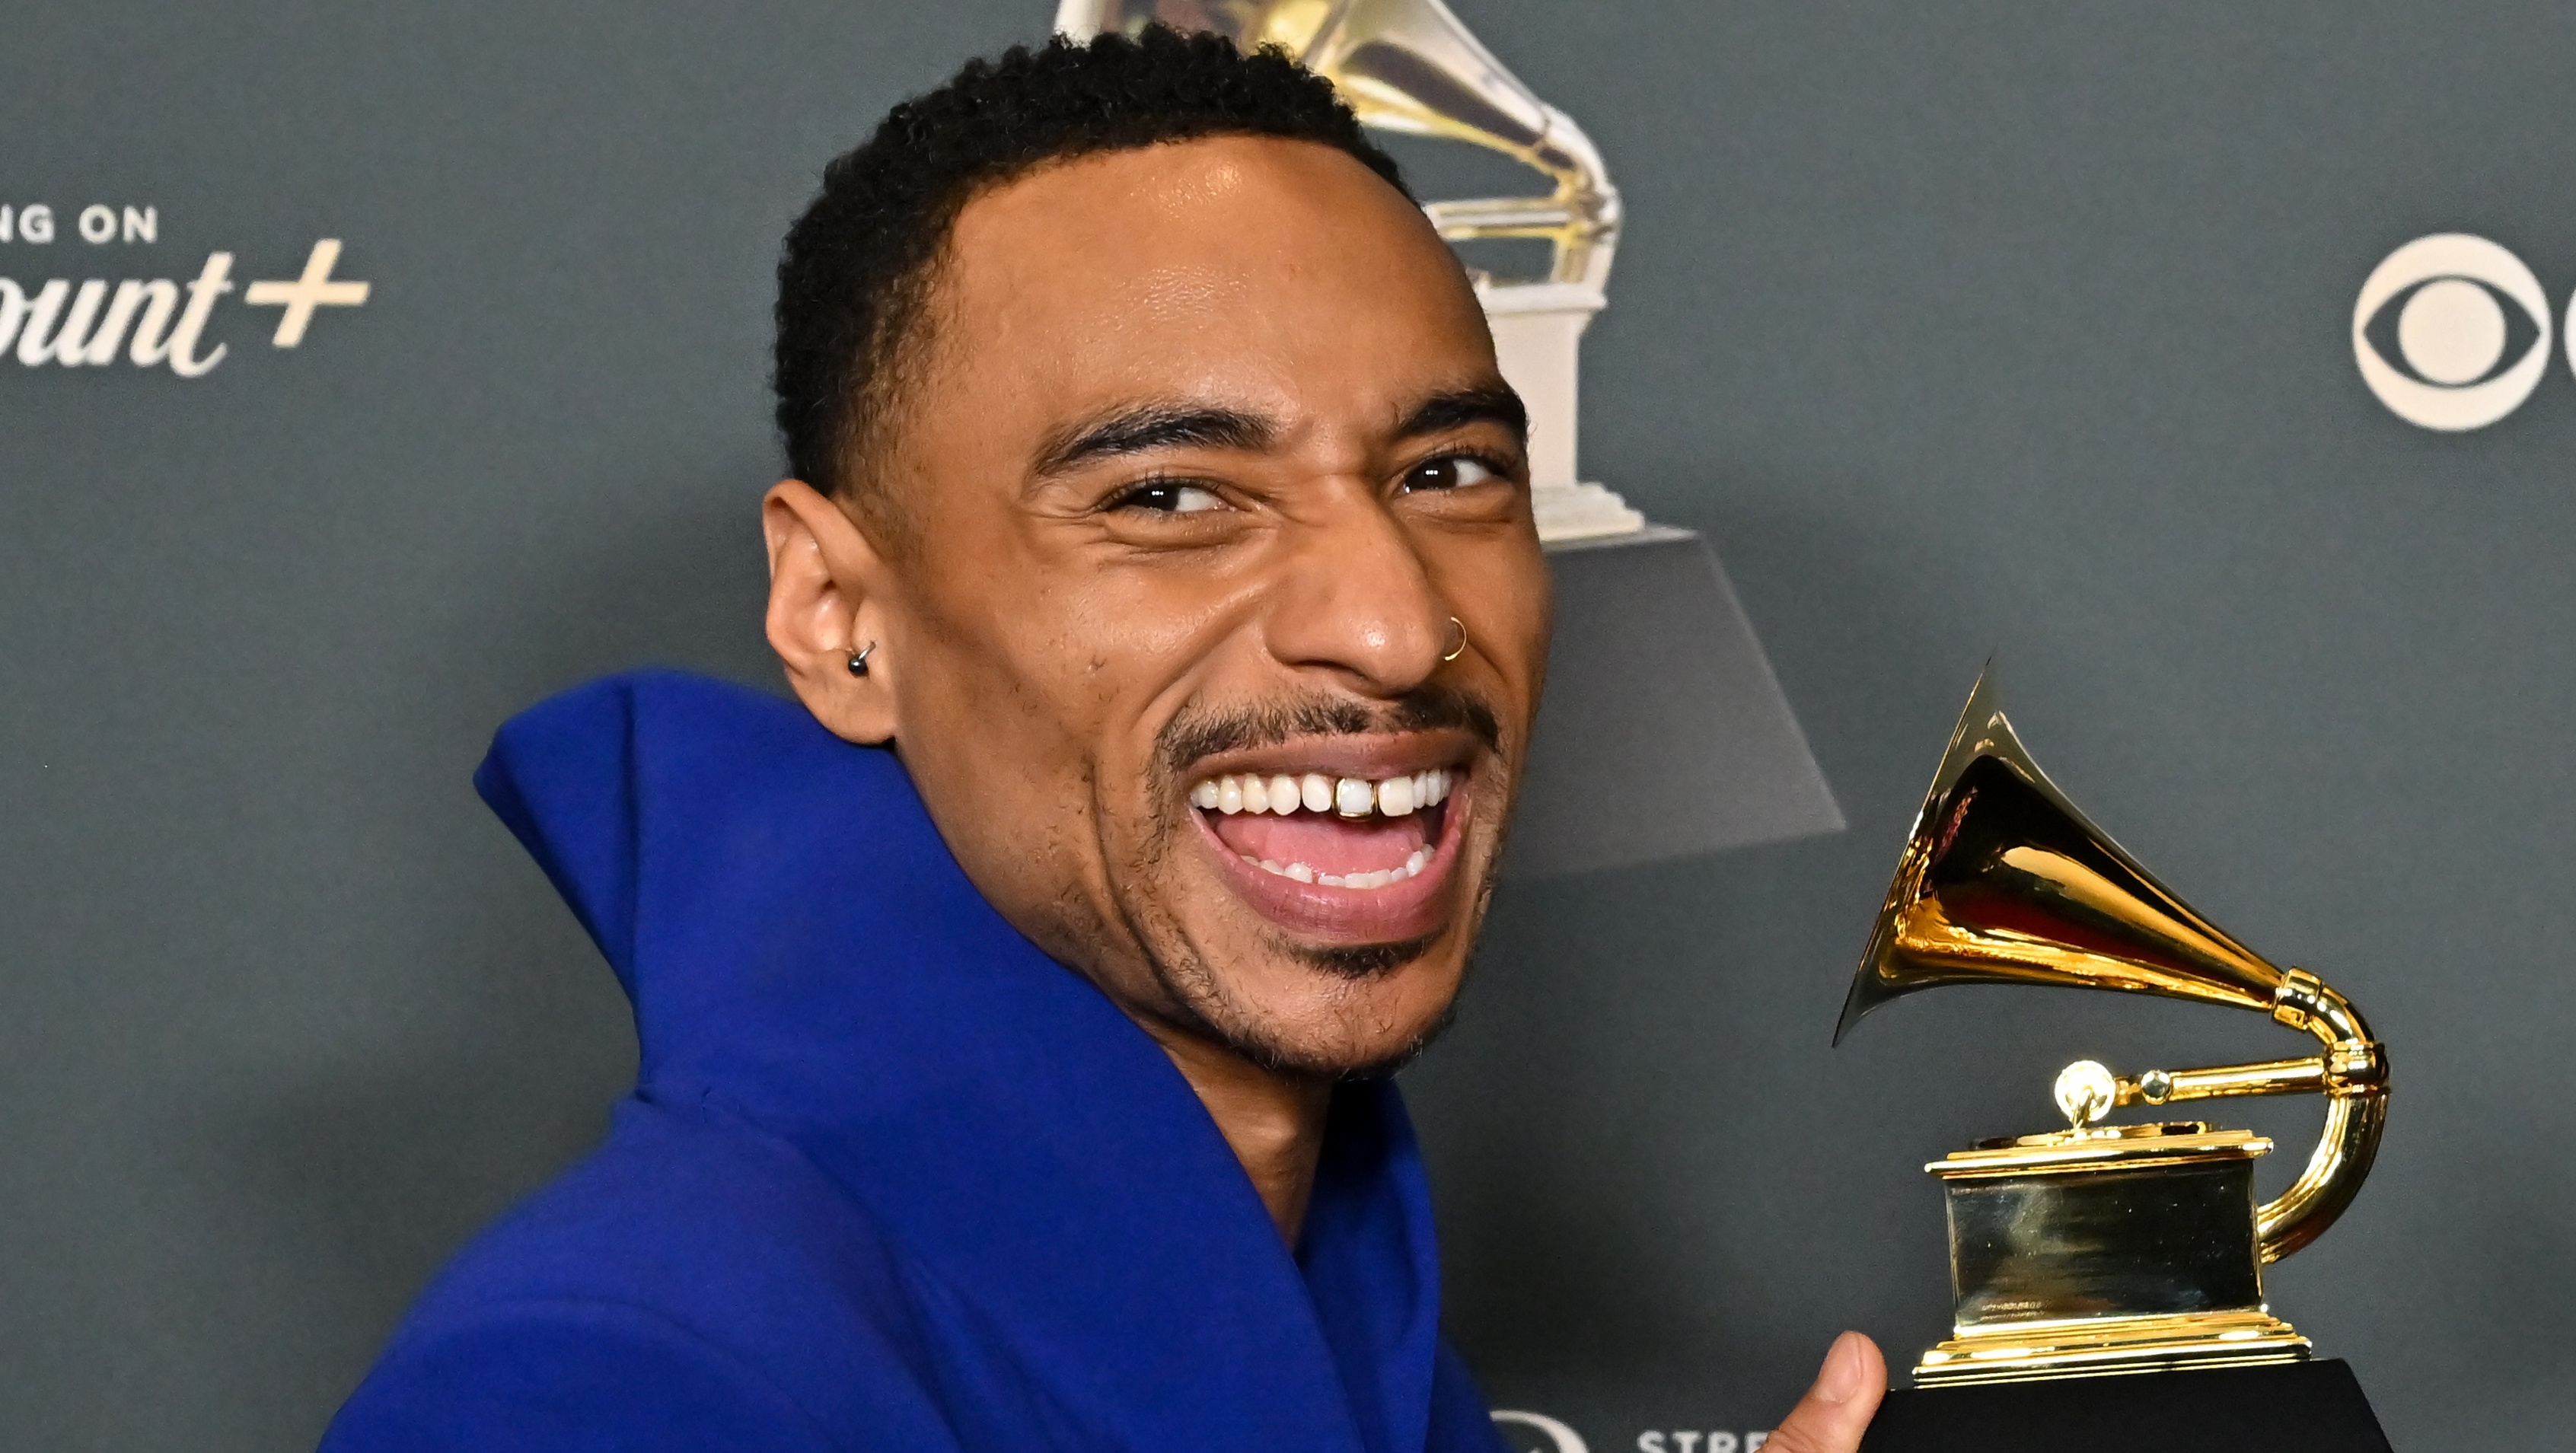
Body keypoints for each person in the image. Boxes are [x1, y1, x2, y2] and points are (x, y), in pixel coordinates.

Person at [320, 27, 1884, 1453]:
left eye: (1447, 470)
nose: (1397, 626)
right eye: (1170, 497)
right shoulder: (631, 1382)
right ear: (833, 612)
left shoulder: (1325, 1311)